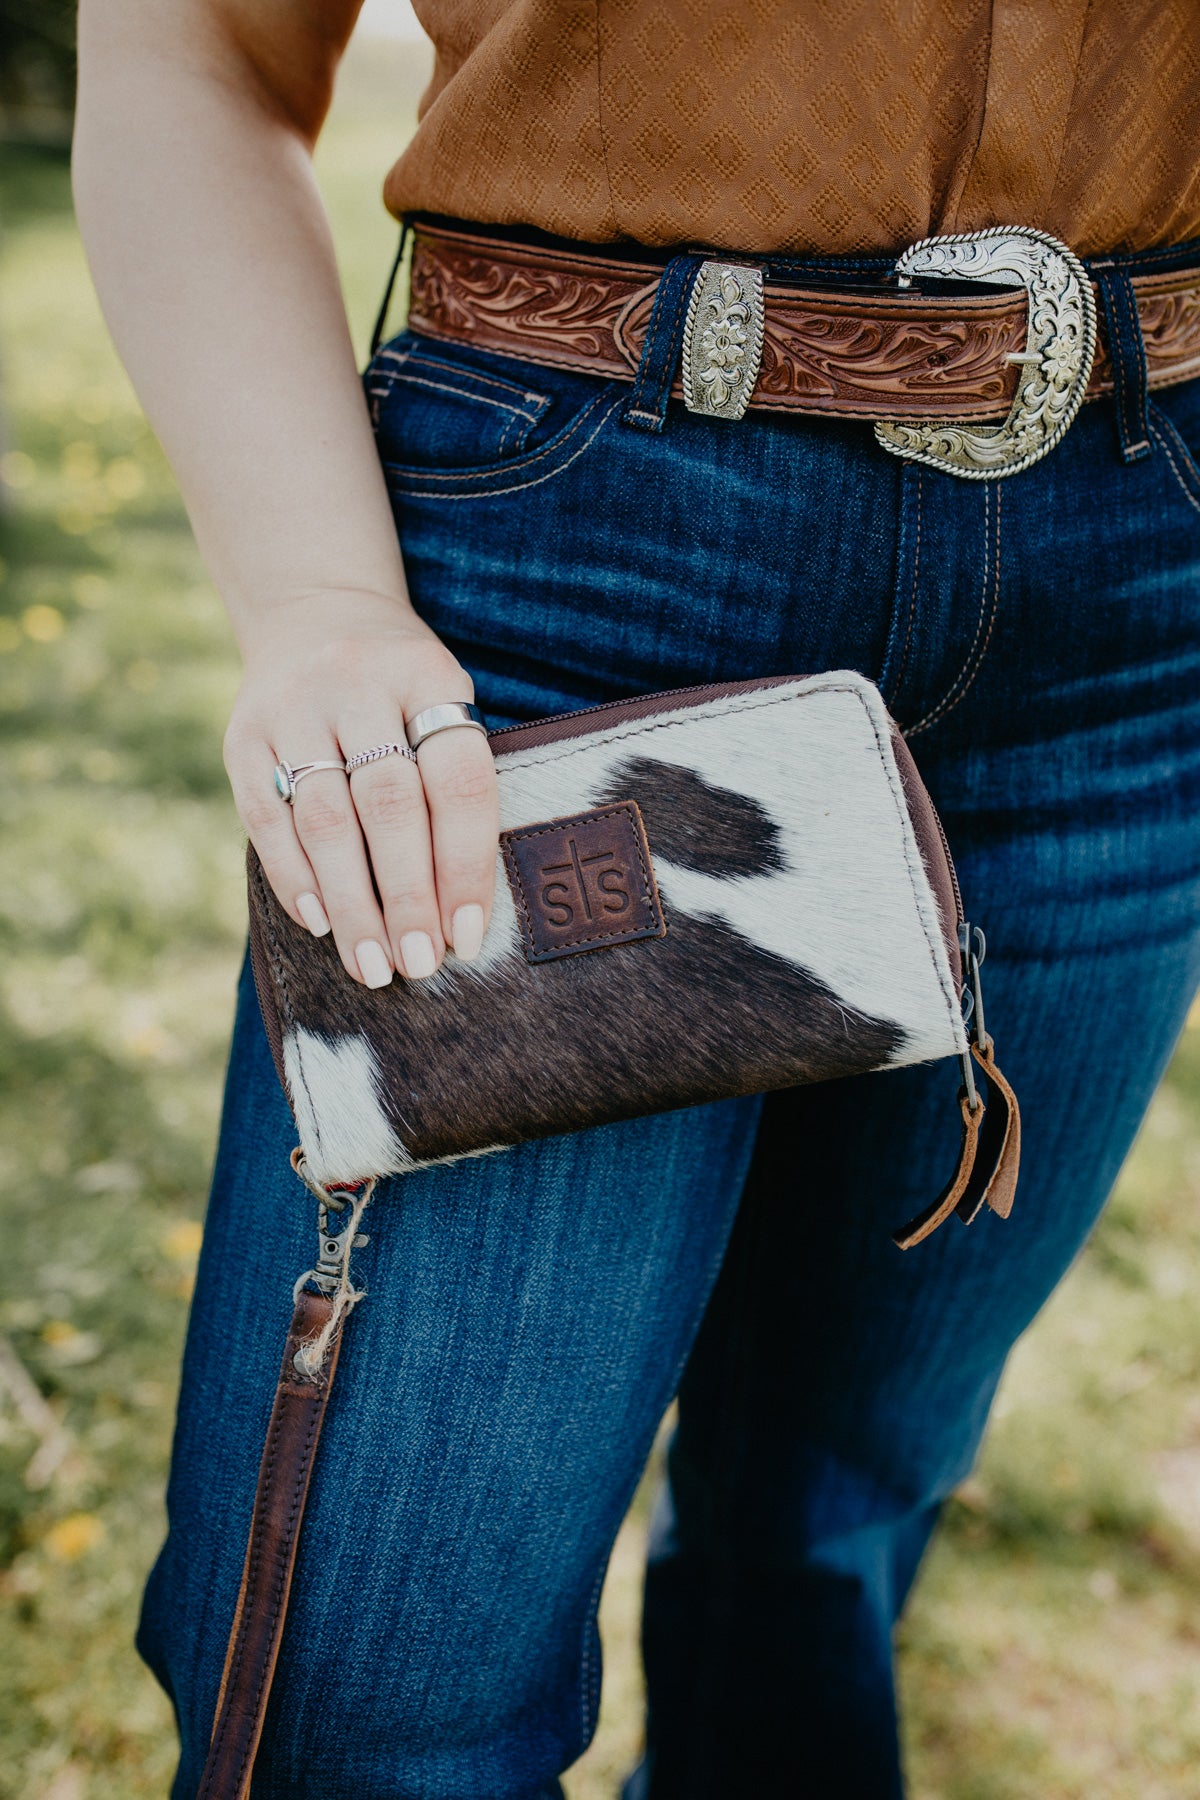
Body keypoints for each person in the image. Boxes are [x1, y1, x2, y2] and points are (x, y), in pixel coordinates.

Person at [73, 2, 1200, 1795]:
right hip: (573, 571)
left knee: (822, 1534)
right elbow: (191, 49)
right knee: (377, 1709)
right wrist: (315, 606)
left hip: (1138, 594)